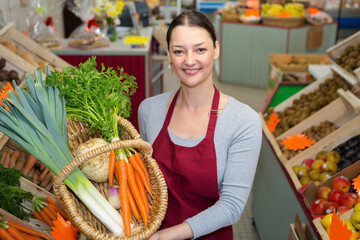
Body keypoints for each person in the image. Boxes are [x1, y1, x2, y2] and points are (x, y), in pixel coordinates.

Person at [138, 10, 262, 240]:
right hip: (151, 231)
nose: (190, 60)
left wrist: (164, 237)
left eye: (200, 49)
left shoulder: (243, 121)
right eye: (179, 51)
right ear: (168, 54)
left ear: (216, 49)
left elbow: (232, 205)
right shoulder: (149, 110)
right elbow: (144, 182)